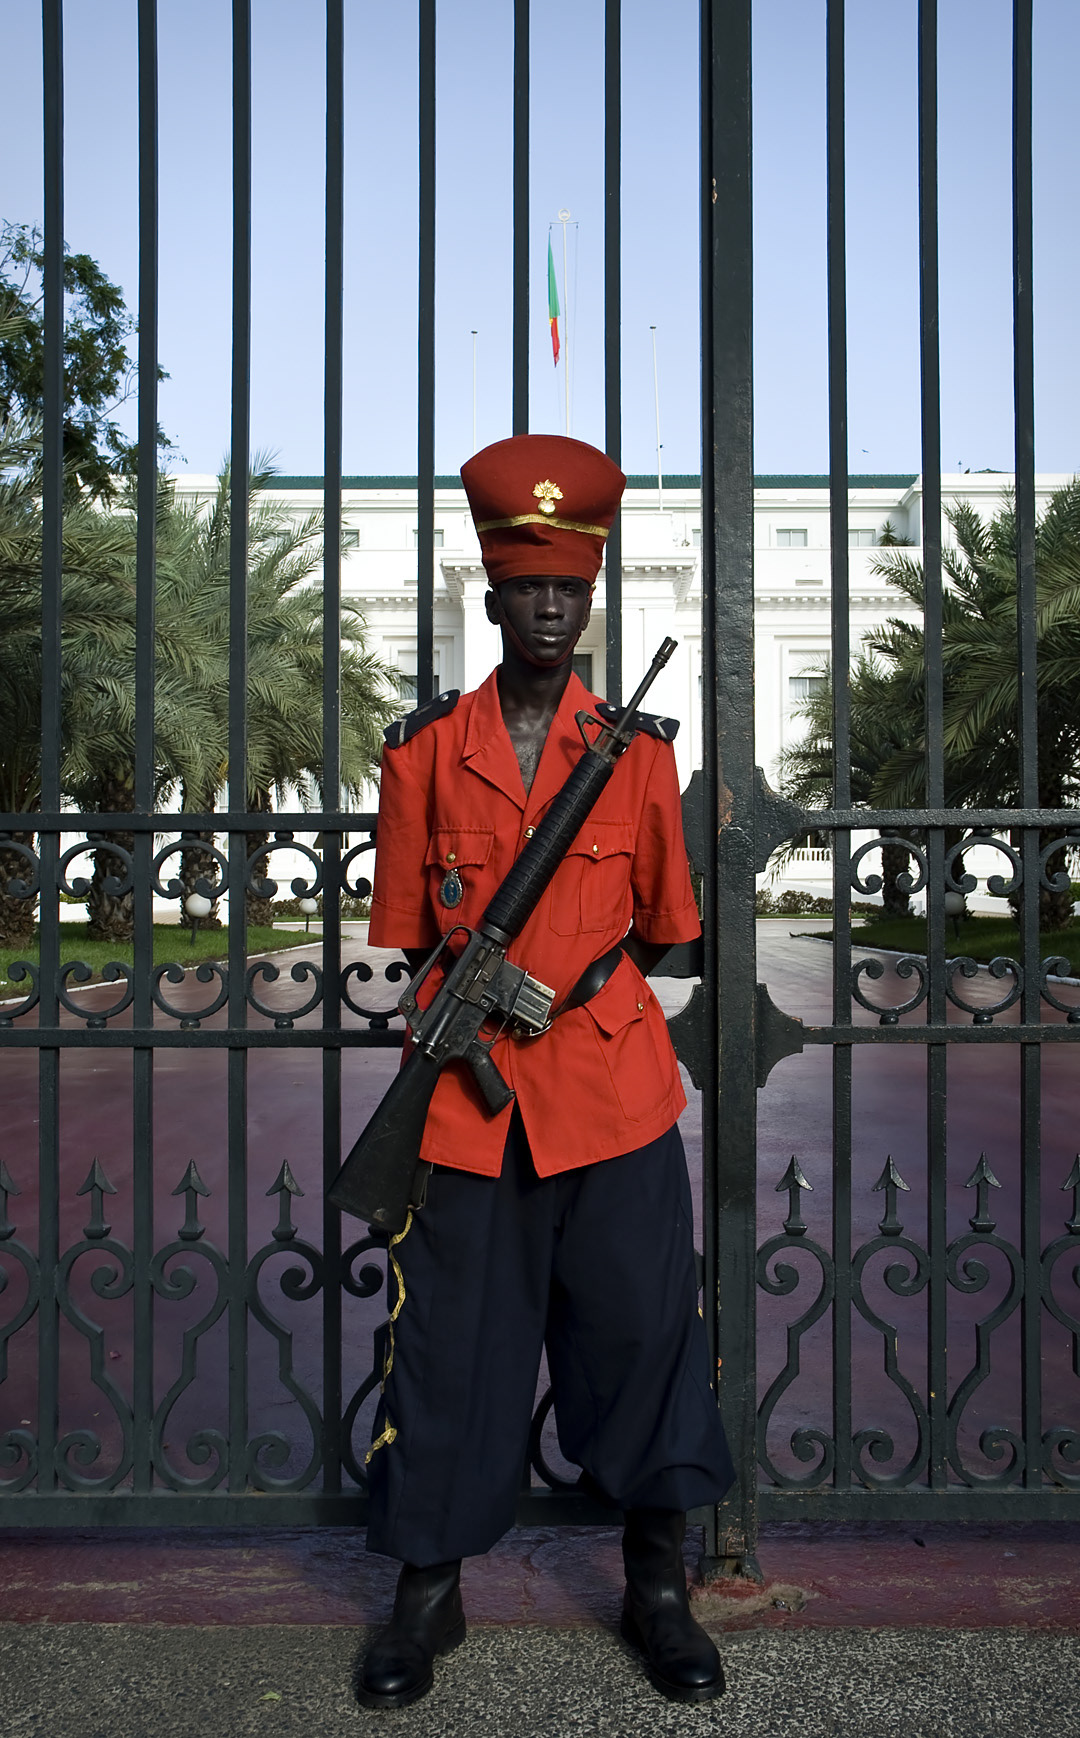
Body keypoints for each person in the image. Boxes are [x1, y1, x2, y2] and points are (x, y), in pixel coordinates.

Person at [356, 433, 733, 1709]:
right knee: (450, 1354)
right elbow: (407, 937)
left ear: (593, 593)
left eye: (573, 584)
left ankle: (658, 1586)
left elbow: (669, 930)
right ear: (495, 596)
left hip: (614, 1098)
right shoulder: (423, 753)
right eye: (530, 585)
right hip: (466, 1110)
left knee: (640, 1343)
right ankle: (426, 1593)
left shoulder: (636, 756)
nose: (553, 605)